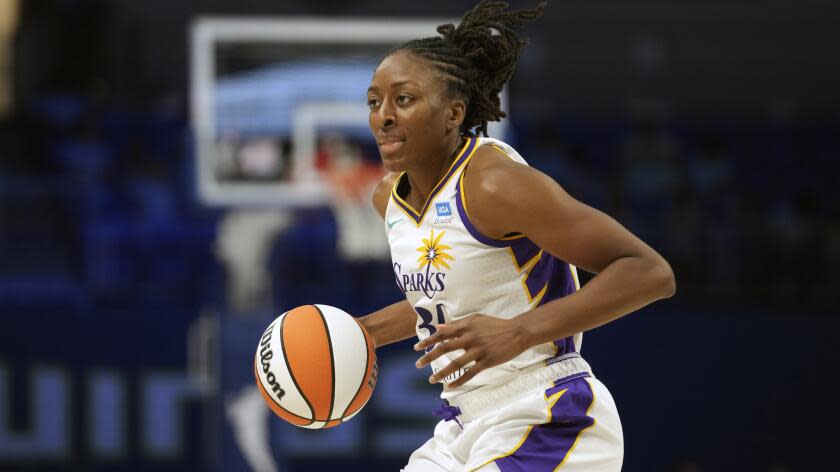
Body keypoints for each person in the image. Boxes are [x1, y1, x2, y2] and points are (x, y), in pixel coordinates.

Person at [359, 1, 675, 470]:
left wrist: (518, 332)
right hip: (461, 426)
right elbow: (458, 292)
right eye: (374, 101)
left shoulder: (494, 183)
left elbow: (649, 272)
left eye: (403, 99)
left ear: (453, 113)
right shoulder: (389, 199)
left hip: (547, 412)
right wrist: (361, 334)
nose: (383, 115)